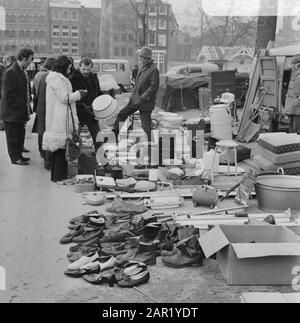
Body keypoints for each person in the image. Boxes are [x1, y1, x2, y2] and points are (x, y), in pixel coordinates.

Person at [43, 55, 87, 182]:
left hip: (58, 116)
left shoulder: (55, 78)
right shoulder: (58, 79)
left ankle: (56, 176)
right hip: (60, 118)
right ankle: (59, 176)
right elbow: (65, 98)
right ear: (64, 66)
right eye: (69, 67)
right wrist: (79, 94)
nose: (70, 70)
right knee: (61, 148)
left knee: (59, 148)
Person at [112, 47, 160, 144]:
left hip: (145, 102)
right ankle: (114, 135)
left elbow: (153, 87)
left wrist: (143, 97)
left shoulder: (154, 70)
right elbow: (138, 84)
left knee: (146, 126)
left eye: (141, 57)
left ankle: (152, 146)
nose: (139, 59)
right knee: (122, 114)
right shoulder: (142, 67)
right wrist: (132, 95)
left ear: (146, 58)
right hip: (135, 100)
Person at [0, 48, 34, 166]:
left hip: (19, 112)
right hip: (12, 113)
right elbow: (9, 94)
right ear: (24, 59)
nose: (31, 63)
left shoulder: (21, 70)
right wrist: (20, 106)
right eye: (30, 60)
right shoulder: (11, 71)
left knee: (20, 134)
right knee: (13, 136)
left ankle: (19, 155)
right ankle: (15, 158)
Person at [69, 57, 102, 152]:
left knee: (98, 138)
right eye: (84, 69)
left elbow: (98, 92)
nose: (86, 71)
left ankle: (101, 160)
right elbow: (71, 97)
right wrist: (82, 106)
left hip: (92, 113)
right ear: (79, 67)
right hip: (79, 113)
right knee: (75, 138)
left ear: (91, 68)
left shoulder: (94, 77)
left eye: (88, 69)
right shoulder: (73, 78)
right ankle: (72, 160)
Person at [31, 57, 56, 169]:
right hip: (47, 108)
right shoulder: (50, 77)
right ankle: (48, 160)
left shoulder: (39, 75)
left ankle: (43, 152)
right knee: (47, 133)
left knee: (42, 131)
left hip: (41, 106)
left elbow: (35, 92)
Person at [286, 54, 300, 134]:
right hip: (293, 109)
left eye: (293, 64)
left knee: (296, 132)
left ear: (298, 64)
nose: (291, 66)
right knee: (292, 132)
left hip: (297, 110)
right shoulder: (295, 74)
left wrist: (295, 104)